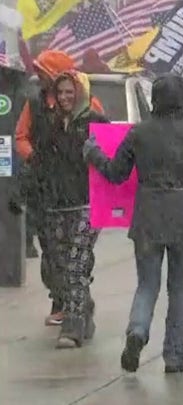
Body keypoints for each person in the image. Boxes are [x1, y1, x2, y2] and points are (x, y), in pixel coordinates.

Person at [83, 74, 183, 373]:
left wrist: (94, 153)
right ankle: (175, 356)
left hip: (147, 217)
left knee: (147, 284)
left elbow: (116, 173)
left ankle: (137, 331)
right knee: (178, 289)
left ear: (155, 100)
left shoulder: (139, 134)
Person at [14, 50, 104, 326]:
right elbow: (21, 136)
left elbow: (104, 143)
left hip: (81, 195)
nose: (38, 77)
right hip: (47, 191)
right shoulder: (35, 103)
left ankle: (76, 312)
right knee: (53, 252)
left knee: (78, 255)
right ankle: (61, 299)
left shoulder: (90, 107)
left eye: (43, 72)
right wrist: (34, 158)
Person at [30, 71, 109, 348]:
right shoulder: (50, 125)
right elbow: (39, 162)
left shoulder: (95, 123)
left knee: (76, 264)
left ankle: (72, 327)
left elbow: (113, 161)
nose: (64, 97)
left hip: (88, 204)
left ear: (80, 92)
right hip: (55, 206)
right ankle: (83, 308)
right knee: (63, 268)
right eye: (60, 92)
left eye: (69, 91)